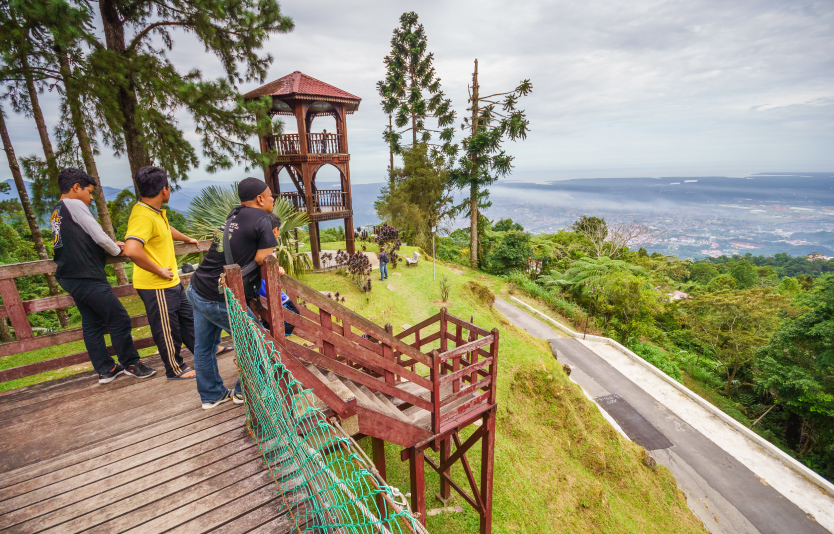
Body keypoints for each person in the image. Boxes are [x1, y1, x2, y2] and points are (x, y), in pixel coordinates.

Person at [51, 168, 156, 384]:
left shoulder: (57, 210)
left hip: (69, 276)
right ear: (76, 187)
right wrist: (118, 250)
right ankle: (131, 364)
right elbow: (98, 235)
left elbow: (77, 239)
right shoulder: (75, 205)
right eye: (89, 192)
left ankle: (106, 369)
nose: (91, 198)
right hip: (85, 275)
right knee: (119, 318)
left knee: (92, 322)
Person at [187, 177, 283, 409]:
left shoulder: (233, 216)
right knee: (256, 340)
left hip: (197, 287)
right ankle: (244, 392)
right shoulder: (262, 218)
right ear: (260, 199)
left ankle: (211, 395)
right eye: (270, 195)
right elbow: (263, 258)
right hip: (217, 296)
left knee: (204, 347)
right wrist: (273, 264)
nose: (272, 199)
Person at [123, 166, 201, 380]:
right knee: (168, 330)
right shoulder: (142, 216)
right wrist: (158, 270)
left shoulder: (153, 212)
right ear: (164, 190)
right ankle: (176, 369)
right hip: (156, 284)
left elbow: (166, 230)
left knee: (188, 320)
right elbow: (131, 250)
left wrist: (186, 238)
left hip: (171, 281)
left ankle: (205, 351)